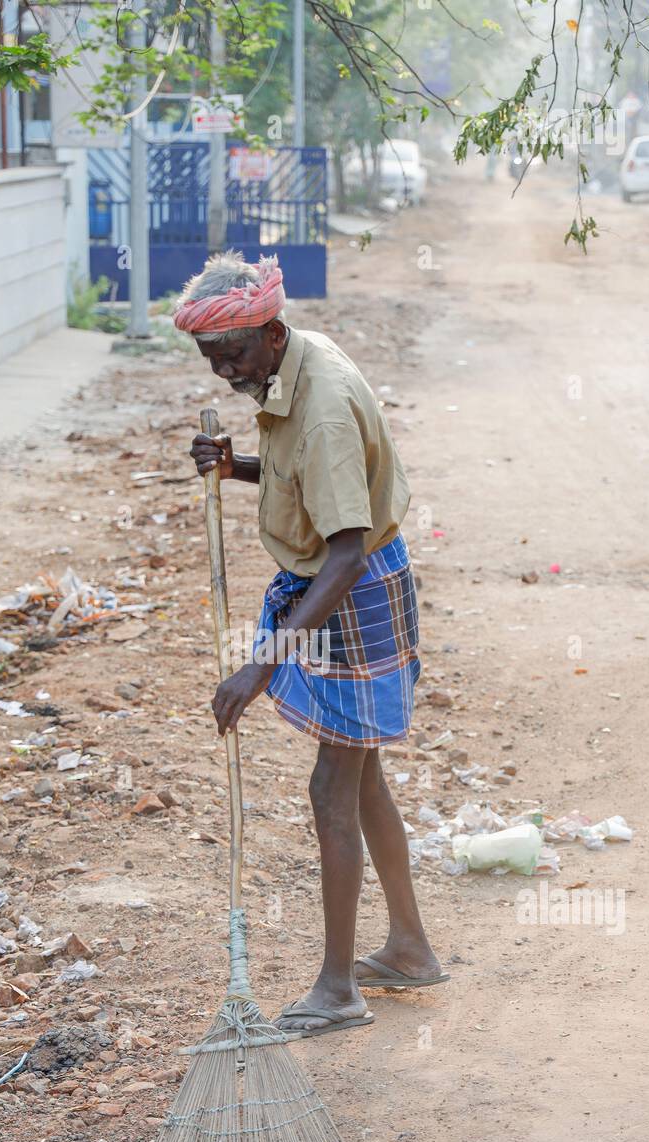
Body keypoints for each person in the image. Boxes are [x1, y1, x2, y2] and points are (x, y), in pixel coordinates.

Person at [175, 251, 447, 1037]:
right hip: (346, 585)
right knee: (362, 782)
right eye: (209, 355)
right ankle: (408, 949)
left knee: (333, 789)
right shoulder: (294, 361)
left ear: (269, 330)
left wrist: (261, 664)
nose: (224, 369)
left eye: (233, 351)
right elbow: (314, 481)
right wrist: (239, 467)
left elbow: (346, 548)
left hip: (351, 595)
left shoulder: (319, 400)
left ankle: (338, 988)